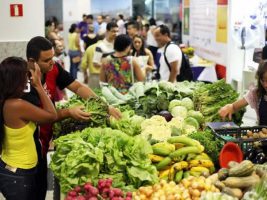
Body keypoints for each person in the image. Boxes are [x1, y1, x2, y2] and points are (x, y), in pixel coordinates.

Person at [25, 36, 121, 200]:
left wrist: (105, 106)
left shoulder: (53, 69)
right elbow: (41, 117)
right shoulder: (24, 83)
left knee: (40, 187)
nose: (52, 62)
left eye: (53, 57)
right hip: (28, 146)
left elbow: (76, 87)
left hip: (44, 141)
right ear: (32, 61)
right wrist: (68, 112)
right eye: (47, 60)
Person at [0, 57, 57, 200]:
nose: (28, 79)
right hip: (18, 174)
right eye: (25, 75)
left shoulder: (9, 101)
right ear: (16, 79)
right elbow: (52, 115)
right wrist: (38, 85)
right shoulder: (16, 105)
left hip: (16, 169)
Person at [219, 61, 267, 125]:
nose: (265, 85)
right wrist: (229, 108)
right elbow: (234, 106)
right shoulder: (256, 93)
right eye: (262, 80)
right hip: (263, 133)